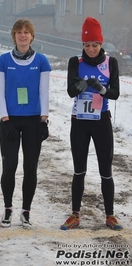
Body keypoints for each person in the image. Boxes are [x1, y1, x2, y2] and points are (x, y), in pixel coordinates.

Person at [60, 17, 122, 231]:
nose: (91, 49)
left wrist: (100, 89)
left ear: (101, 44)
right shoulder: (75, 62)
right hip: (79, 122)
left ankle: (110, 215)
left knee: (106, 170)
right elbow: (70, 91)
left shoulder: (110, 63)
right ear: (83, 45)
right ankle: (75, 214)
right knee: (79, 170)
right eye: (87, 45)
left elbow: (115, 93)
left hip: (101, 121)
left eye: (95, 45)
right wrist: (82, 85)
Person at [0, 18, 51, 228]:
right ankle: (8, 209)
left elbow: (44, 91)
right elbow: (0, 92)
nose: (23, 35)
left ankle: (26, 211)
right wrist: (5, 118)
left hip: (33, 122)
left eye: (26, 32)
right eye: (19, 32)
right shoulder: (3, 60)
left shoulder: (42, 61)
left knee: (30, 168)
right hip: (10, 121)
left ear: (32, 36)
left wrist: (44, 119)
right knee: (9, 166)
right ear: (14, 36)